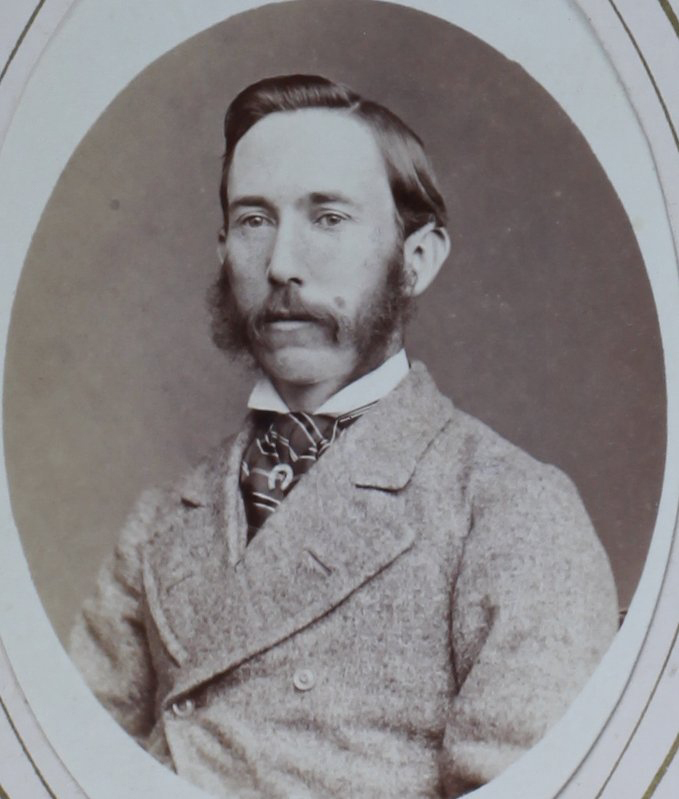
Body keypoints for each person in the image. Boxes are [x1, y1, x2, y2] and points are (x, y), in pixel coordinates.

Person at [69, 74, 619, 799]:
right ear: (223, 247)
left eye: (327, 217)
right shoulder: (162, 521)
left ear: (416, 259)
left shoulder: (512, 511)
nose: (281, 266)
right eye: (254, 220)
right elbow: (54, 753)